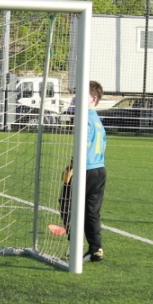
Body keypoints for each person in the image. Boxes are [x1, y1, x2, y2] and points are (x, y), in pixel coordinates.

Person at [58, 80, 107, 262]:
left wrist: (72, 164)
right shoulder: (97, 119)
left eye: (82, 95)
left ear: (93, 98)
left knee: (66, 204)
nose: (76, 98)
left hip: (84, 169)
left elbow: (84, 142)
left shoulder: (84, 117)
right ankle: (96, 249)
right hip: (99, 169)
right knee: (91, 211)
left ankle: (75, 244)